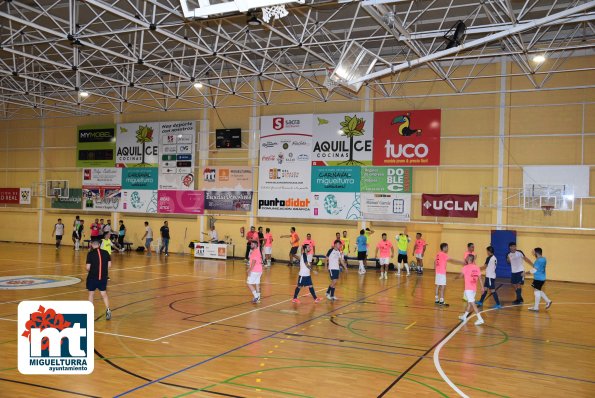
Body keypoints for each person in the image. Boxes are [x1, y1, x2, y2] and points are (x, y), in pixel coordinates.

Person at [86, 239, 112, 320]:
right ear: (99, 245)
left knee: (91, 294)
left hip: (92, 277)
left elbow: (87, 267)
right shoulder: (106, 253)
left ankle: (90, 312)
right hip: (103, 277)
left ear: (91, 244)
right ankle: (108, 310)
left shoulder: (90, 254)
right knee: (104, 294)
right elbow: (109, 265)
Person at [455, 254, 485, 325]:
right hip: (474, 289)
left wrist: (455, 277)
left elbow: (460, 276)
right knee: (469, 303)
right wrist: (482, 287)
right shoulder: (477, 267)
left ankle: (480, 319)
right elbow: (480, 278)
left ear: (468, 259)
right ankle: (464, 316)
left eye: (466, 258)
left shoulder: (465, 267)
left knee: (473, 304)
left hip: (468, 289)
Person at [524, 247, 553, 312]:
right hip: (542, 277)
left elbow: (534, 270)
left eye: (533, 252)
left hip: (538, 278)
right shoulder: (544, 259)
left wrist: (525, 273)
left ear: (536, 253)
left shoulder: (538, 260)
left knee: (536, 292)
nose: (532, 253)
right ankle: (548, 301)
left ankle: (536, 307)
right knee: (538, 290)